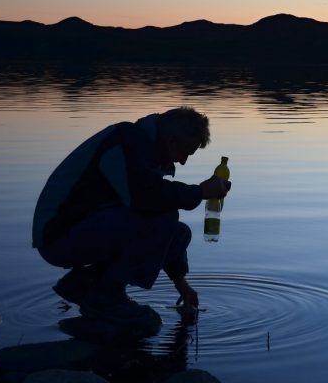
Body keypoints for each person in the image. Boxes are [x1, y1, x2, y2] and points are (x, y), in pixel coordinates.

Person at [32, 107, 230, 322]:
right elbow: (145, 199)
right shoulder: (126, 143)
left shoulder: (142, 146)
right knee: (164, 217)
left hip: (83, 228)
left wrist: (181, 284)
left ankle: (83, 283)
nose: (182, 162)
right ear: (171, 141)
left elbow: (150, 202)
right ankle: (106, 297)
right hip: (58, 237)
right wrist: (200, 192)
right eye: (186, 153)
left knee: (177, 231)